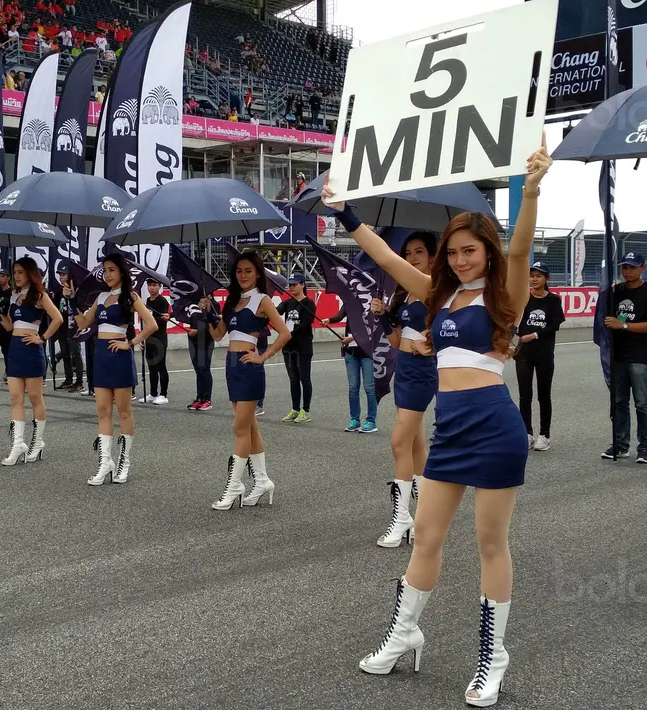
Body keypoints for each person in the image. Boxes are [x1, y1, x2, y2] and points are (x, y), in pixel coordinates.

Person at [326, 137, 550, 708]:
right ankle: (405, 635)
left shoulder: (506, 294)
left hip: (495, 427)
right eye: (453, 252)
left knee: (490, 543)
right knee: (425, 536)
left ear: (488, 252)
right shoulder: (438, 297)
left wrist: (532, 188)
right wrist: (346, 213)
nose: (458, 260)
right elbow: (387, 259)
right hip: (449, 431)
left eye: (469, 251)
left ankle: (492, 660)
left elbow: (522, 248)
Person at [367, 232, 439, 547]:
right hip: (405, 368)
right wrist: (383, 317)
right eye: (408, 253)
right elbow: (395, 342)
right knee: (414, 444)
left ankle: (403, 518)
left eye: (419, 252)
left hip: (423, 371)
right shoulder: (406, 294)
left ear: (434, 257)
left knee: (399, 442)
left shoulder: (437, 292)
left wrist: (435, 344)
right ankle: (423, 516)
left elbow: (454, 331)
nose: (412, 258)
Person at [206, 250, 290, 510]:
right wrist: (209, 312)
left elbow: (285, 333)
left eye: (248, 271)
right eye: (239, 271)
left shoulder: (263, 300)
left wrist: (263, 356)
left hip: (249, 364)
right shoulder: (231, 301)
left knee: (239, 428)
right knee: (250, 426)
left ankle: (234, 487)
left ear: (257, 273)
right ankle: (262, 480)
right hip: (231, 365)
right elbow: (219, 335)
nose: (243, 275)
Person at [74, 253, 158, 485]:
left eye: (112, 269)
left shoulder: (130, 296)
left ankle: (124, 461)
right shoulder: (100, 296)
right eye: (105, 270)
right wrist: (71, 301)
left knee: (123, 412)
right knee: (102, 410)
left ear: (121, 272)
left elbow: (151, 324)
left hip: (119, 356)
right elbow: (83, 323)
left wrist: (129, 343)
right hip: (100, 356)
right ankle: (105, 463)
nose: (108, 274)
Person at [0, 258, 63, 465]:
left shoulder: (39, 295)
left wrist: (42, 337)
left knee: (35, 397)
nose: (16, 276)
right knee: (15, 398)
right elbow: (9, 327)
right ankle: (18, 444)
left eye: (20, 272)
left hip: (33, 349)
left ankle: (38, 441)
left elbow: (58, 318)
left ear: (30, 273)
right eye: (14, 272)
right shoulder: (13, 295)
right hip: (15, 349)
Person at [602, 251, 647, 463]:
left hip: (640, 356)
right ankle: (620, 443)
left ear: (642, 268)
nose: (627, 271)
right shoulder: (615, 291)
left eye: (632, 267)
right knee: (618, 402)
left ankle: (645, 447)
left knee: (642, 403)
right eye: (624, 267)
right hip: (617, 355)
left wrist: (624, 325)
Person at [514, 262, 565, 451]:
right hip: (524, 354)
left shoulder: (553, 300)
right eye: (532, 275)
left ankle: (545, 435)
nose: (534, 279)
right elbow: (514, 321)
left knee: (544, 396)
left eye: (539, 276)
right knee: (524, 396)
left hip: (544, 353)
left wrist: (534, 335)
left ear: (546, 279)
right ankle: (526, 433)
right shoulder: (523, 298)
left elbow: (555, 325)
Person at [330, 303, 378, 434]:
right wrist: (329, 320)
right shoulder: (349, 301)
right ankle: (354, 419)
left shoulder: (370, 302)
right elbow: (340, 316)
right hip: (351, 351)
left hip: (367, 351)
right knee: (353, 387)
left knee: (369, 387)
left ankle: (371, 421)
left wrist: (353, 338)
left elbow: (372, 327)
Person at [278, 273, 317, 423]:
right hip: (288, 346)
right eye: (290, 285)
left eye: (295, 284)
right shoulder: (288, 303)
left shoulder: (309, 304)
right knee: (293, 379)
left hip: (303, 347)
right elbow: (277, 310)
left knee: (304, 378)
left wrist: (288, 333)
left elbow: (305, 324)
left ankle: (305, 410)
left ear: (303, 285)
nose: (292, 287)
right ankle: (295, 408)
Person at [186, 297, 219, 411]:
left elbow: (216, 324)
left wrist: (198, 330)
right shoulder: (193, 303)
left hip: (206, 341)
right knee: (198, 371)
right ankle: (199, 398)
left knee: (205, 370)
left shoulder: (214, 305)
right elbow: (184, 315)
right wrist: (169, 315)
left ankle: (207, 399)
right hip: (193, 341)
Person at [143, 278, 172, 405]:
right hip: (149, 337)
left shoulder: (162, 301)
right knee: (151, 367)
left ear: (159, 286)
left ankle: (163, 394)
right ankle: (153, 393)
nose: (152, 288)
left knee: (161, 366)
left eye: (154, 285)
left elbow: (162, 319)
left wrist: (153, 318)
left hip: (159, 338)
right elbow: (145, 320)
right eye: (150, 285)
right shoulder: (148, 300)